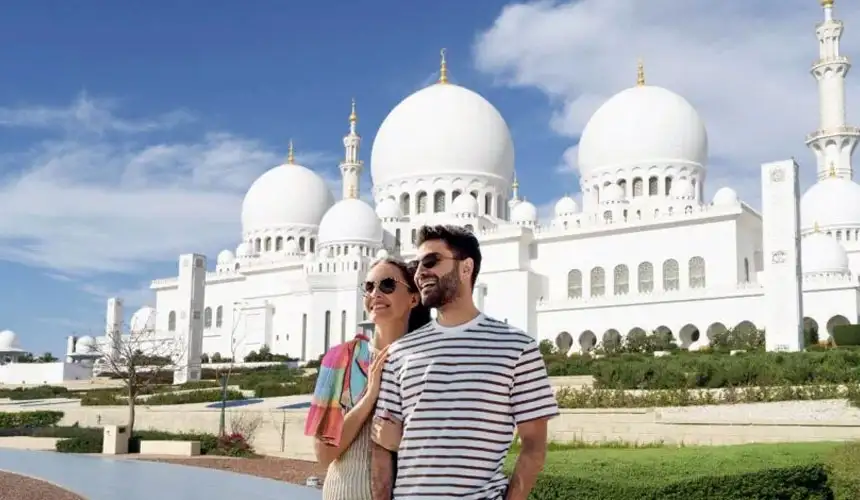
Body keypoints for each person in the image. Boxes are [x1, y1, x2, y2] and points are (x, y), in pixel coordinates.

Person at [371, 224, 559, 500]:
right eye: (416, 265)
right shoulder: (400, 352)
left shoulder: (518, 348)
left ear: (466, 268)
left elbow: (534, 446)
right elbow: (381, 448)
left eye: (431, 261)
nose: (420, 273)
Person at [304, 257, 431, 500]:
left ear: (413, 299)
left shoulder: (426, 364)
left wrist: (400, 444)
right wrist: (369, 397)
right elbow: (324, 454)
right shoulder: (341, 358)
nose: (375, 294)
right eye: (369, 286)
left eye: (388, 285)